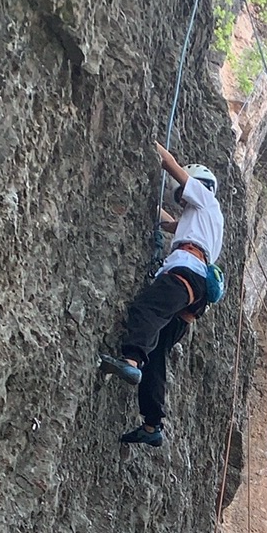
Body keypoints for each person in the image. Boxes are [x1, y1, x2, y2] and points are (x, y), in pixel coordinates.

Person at [100, 141, 224, 447]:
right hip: (194, 295)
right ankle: (152, 424)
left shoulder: (205, 199)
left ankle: (130, 361)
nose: (181, 199)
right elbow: (170, 224)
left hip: (186, 274)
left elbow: (172, 166)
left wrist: (153, 145)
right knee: (156, 354)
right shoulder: (204, 220)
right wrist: (150, 203)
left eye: (183, 195)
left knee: (146, 309)